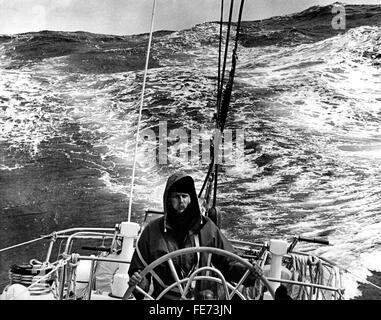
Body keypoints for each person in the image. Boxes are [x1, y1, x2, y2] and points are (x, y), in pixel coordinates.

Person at [124, 172, 262, 300]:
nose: (181, 201)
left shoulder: (207, 228)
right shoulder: (152, 231)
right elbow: (140, 273)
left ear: (191, 199)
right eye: (176, 196)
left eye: (185, 196)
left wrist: (248, 271)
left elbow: (229, 262)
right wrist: (139, 281)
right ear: (168, 200)